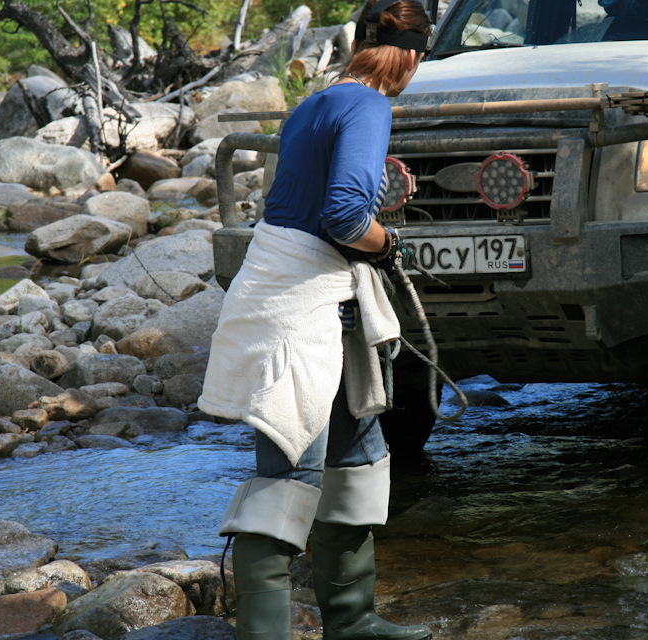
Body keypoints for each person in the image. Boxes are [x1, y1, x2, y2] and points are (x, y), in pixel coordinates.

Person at [197, 2, 433, 639]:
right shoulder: (370, 106)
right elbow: (344, 218)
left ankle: (352, 622)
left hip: (311, 300)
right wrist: (387, 244)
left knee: (355, 457)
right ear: (409, 53)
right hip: (302, 310)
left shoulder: (321, 101)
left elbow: (311, 197)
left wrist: (374, 202)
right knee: (288, 480)